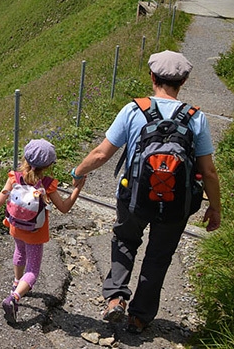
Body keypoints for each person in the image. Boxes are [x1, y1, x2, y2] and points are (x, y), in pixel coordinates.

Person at [69, 50, 221, 334]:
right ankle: (139, 318)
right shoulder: (195, 118)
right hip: (176, 204)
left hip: (134, 197)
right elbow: (209, 171)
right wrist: (215, 207)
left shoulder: (133, 110)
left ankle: (115, 298)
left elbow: (102, 153)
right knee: (159, 256)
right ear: (184, 81)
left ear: (152, 77)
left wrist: (79, 172)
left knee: (125, 241)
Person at [0, 139, 87, 323]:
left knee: (19, 251)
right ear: (47, 166)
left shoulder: (14, 177)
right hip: (35, 232)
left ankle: (16, 282)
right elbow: (64, 207)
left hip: (15, 226)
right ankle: (14, 298)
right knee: (33, 271)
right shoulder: (48, 184)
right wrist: (77, 189)